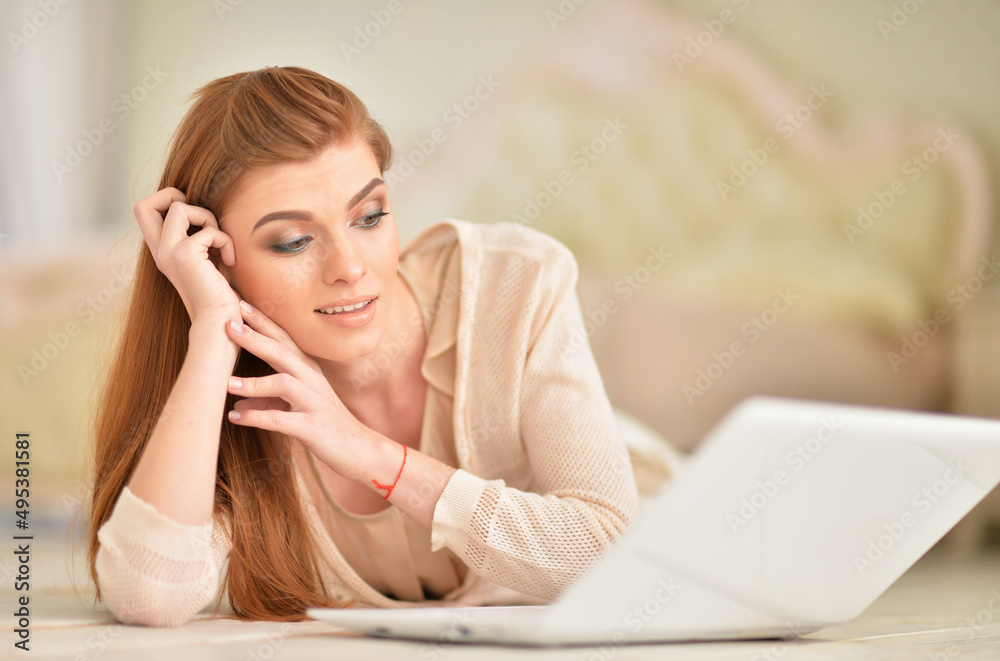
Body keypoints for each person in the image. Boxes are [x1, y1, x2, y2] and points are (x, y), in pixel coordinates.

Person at [87, 66, 663, 627]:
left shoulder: (515, 284)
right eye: (292, 242)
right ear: (216, 259)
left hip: (678, 513)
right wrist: (215, 329)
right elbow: (148, 597)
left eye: (369, 216)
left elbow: (607, 553)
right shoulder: (237, 405)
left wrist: (369, 454)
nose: (351, 268)